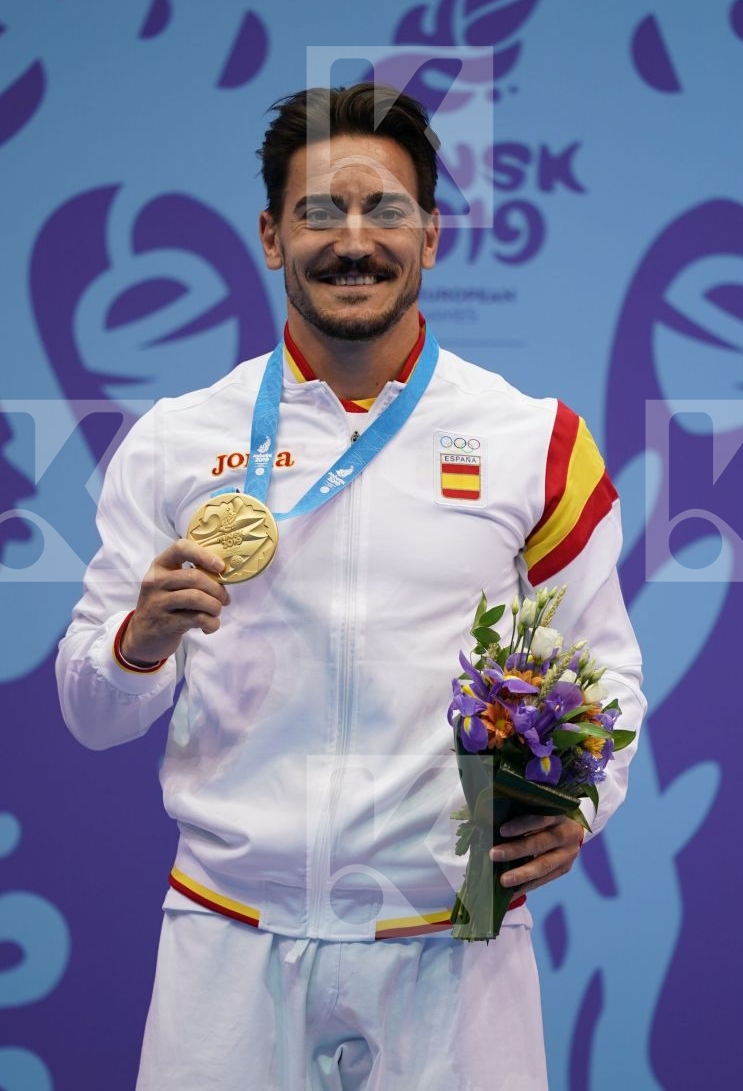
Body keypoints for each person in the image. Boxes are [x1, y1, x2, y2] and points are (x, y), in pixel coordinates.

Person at [57, 83, 645, 1091]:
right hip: (228, 940)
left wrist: (578, 808)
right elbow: (91, 713)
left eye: (385, 210)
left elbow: (605, 676)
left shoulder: (536, 442)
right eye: (320, 212)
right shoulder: (174, 442)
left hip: (451, 945)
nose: (354, 241)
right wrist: (138, 640)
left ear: (431, 236)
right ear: (271, 237)